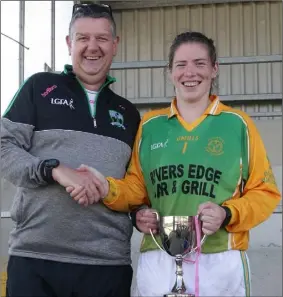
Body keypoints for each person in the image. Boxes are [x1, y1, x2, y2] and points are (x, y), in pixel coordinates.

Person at [67, 31, 281, 296]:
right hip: (159, 256)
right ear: (170, 71)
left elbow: (266, 192)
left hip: (221, 258)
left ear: (214, 69)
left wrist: (228, 213)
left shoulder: (238, 125)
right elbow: (137, 189)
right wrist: (109, 190)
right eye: (181, 65)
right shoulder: (150, 126)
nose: (189, 72)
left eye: (199, 63)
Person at [1, 3, 143, 297]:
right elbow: (3, 147)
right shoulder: (39, 88)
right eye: (83, 38)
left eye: (102, 38)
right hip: (35, 260)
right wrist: (53, 170)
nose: (93, 47)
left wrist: (142, 211)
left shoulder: (129, 113)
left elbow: (136, 185)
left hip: (108, 265)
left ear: (115, 45)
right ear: (69, 43)